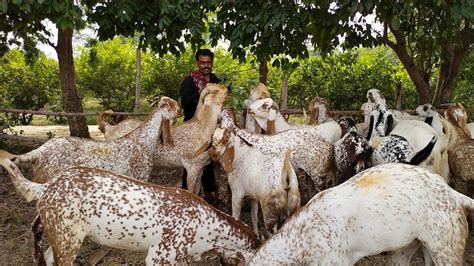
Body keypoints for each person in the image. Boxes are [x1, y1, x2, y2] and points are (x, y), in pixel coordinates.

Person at [180, 48, 221, 203]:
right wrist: (203, 92)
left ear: (212, 63)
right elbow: (186, 102)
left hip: (210, 128)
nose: (206, 65)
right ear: (197, 63)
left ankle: (209, 193)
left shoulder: (216, 81)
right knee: (190, 159)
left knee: (208, 160)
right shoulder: (189, 81)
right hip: (192, 128)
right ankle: (186, 194)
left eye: (208, 62)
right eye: (202, 63)